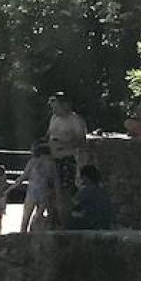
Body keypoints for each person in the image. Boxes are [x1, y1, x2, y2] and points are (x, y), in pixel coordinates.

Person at [45, 95, 89, 226]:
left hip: (69, 159)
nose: (54, 110)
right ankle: (54, 218)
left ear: (65, 105)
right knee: (52, 190)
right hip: (54, 158)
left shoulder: (75, 121)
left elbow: (82, 141)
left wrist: (63, 144)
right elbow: (49, 135)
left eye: (56, 106)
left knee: (67, 190)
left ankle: (68, 220)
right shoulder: (54, 119)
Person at [16, 142, 60, 233]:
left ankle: (22, 236)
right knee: (38, 216)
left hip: (32, 192)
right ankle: (35, 233)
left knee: (25, 218)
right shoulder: (51, 162)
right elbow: (56, 179)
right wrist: (57, 194)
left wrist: (9, 189)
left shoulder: (32, 162)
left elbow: (23, 177)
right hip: (44, 192)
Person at [73, 164, 117, 230]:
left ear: (86, 177)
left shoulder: (88, 191)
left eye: (83, 177)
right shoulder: (103, 191)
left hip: (93, 224)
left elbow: (73, 203)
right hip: (105, 224)